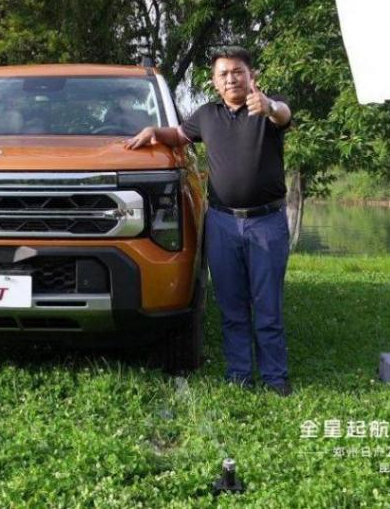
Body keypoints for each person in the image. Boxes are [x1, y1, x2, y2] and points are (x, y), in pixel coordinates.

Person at [126, 46, 293, 395]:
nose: (231, 78)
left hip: (266, 224)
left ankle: (275, 379)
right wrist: (155, 131)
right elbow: (180, 135)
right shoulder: (206, 115)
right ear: (215, 82)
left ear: (251, 76)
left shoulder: (267, 107)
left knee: (268, 307)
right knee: (231, 305)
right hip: (222, 224)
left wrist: (269, 106)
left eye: (238, 72)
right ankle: (239, 376)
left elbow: (283, 115)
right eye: (223, 74)